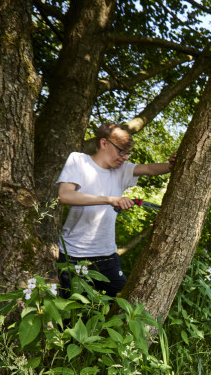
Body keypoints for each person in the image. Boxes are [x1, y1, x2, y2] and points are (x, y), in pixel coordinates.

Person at [56, 122, 175, 296]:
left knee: (123, 304)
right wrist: (109, 200)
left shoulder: (122, 170)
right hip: (72, 255)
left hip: (107, 256)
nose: (125, 157)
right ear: (104, 143)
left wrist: (172, 164)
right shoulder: (79, 161)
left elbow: (149, 168)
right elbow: (65, 195)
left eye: (128, 153)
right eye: (121, 151)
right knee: (70, 315)